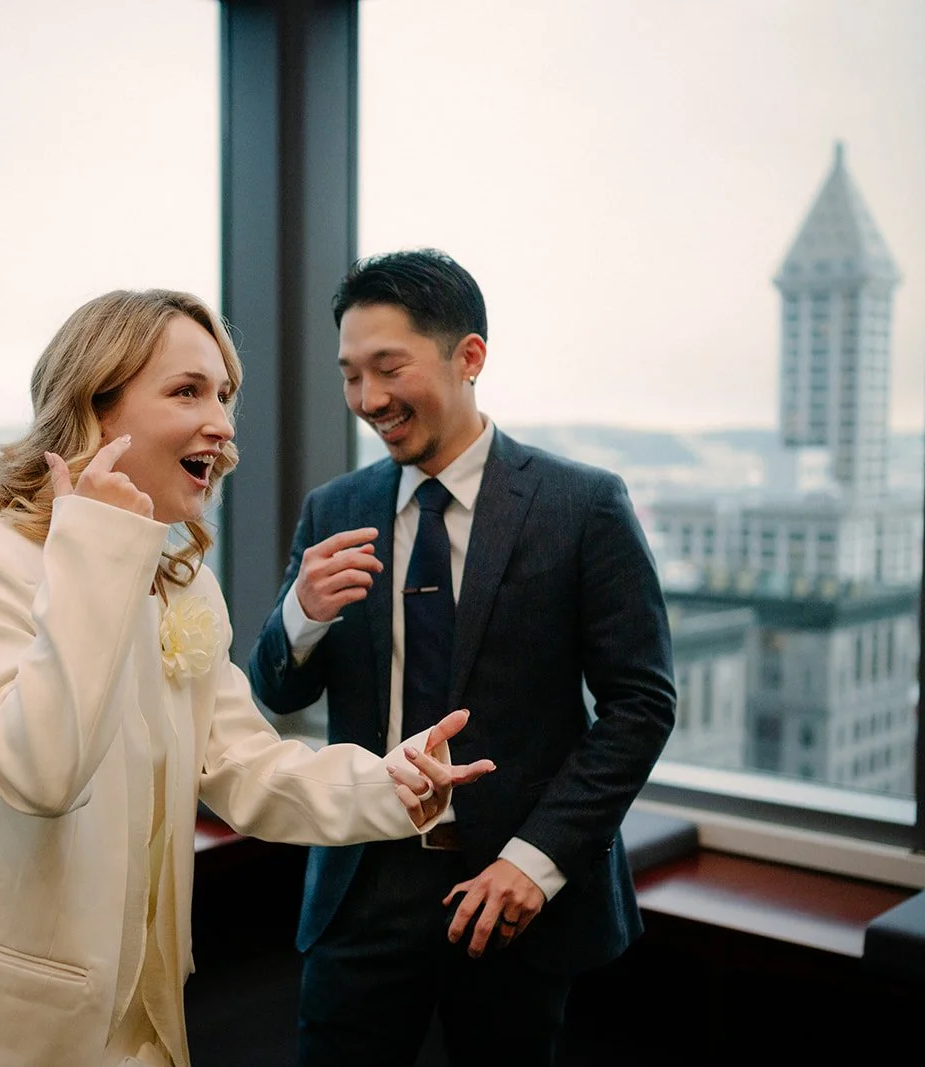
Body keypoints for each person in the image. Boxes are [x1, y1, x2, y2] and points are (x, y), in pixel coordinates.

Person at [0, 288, 494, 1067]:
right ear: (98, 406)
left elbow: (244, 765)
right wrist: (98, 542)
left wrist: (392, 785)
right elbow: (43, 771)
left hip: (144, 1019)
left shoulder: (183, 584)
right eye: (187, 391)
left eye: (223, 394)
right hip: (1, 1017)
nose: (221, 423)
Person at [247, 249, 677, 1067]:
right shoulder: (333, 509)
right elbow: (275, 686)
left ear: (469, 357)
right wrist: (298, 613)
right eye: (350, 376)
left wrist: (535, 862)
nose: (367, 400)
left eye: (387, 368)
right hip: (361, 886)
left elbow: (641, 704)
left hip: (513, 893)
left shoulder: (583, 505)